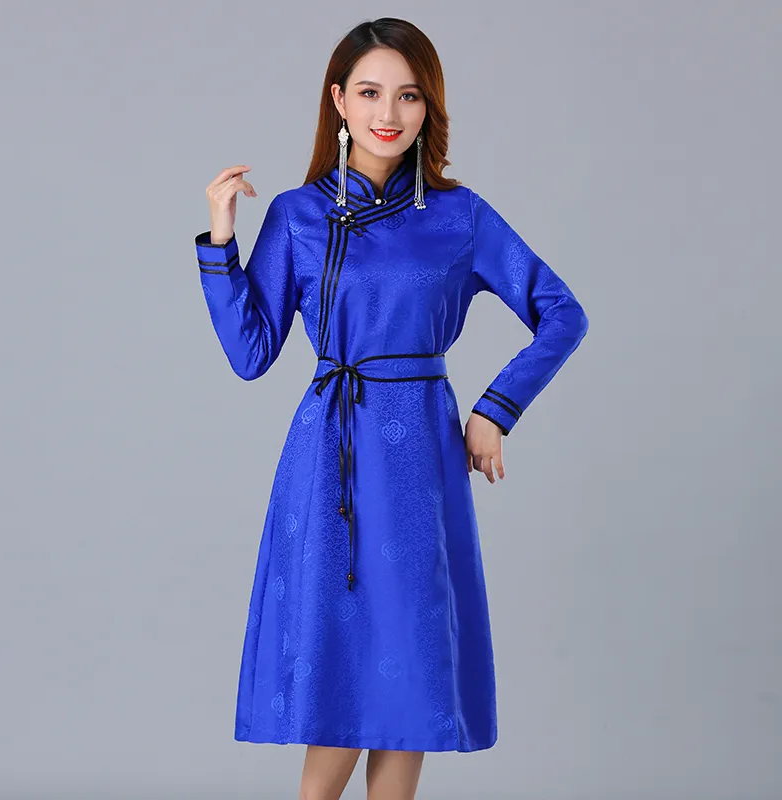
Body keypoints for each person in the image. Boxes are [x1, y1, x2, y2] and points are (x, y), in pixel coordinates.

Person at [194, 16, 589, 800]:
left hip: (418, 459)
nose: (389, 112)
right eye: (371, 92)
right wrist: (220, 240)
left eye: (409, 95)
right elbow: (250, 352)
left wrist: (495, 411)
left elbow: (561, 312)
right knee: (340, 654)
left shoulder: (459, 215)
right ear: (338, 101)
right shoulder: (299, 216)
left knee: (408, 653)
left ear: (428, 106)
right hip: (328, 454)